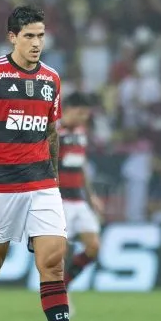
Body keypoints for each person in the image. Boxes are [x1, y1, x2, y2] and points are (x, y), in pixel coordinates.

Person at [0, 5, 100, 321]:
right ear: (12, 37)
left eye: (40, 35)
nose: (37, 43)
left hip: (41, 184)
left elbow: (51, 131)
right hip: (0, 186)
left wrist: (51, 176)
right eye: (29, 36)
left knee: (52, 263)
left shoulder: (52, 78)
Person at [55, 92, 104, 287]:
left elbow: (80, 164)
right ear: (69, 110)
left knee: (93, 247)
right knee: (61, 252)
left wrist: (91, 197)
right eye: (81, 113)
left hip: (78, 198)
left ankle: (63, 286)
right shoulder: (54, 131)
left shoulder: (81, 132)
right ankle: (56, 296)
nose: (84, 118)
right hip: (59, 199)